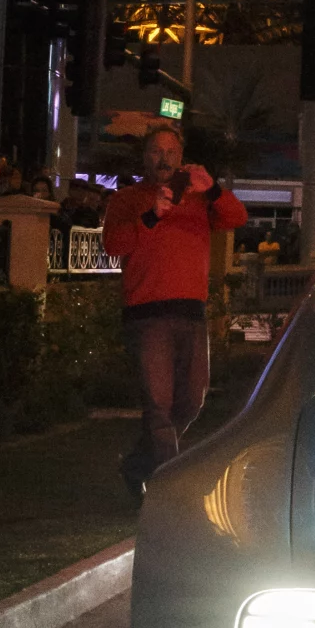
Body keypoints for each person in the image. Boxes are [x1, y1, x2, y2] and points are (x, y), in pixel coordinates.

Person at [103, 123, 246, 498]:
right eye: (155, 151)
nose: (163, 158)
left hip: (191, 312)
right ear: (144, 157)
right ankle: (170, 489)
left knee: (191, 400)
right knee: (159, 404)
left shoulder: (199, 199)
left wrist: (211, 188)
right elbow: (114, 244)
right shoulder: (128, 199)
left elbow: (236, 217)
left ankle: (138, 464)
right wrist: (152, 214)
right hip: (147, 314)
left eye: (170, 151)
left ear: (181, 158)